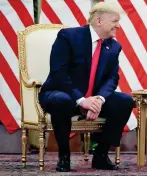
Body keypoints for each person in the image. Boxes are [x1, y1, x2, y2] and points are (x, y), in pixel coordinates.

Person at [38, 2, 134, 172]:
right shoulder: (69, 37)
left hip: (92, 97)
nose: (118, 26)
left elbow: (112, 77)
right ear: (99, 21)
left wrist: (99, 99)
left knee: (125, 101)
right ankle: (64, 157)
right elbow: (59, 73)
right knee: (62, 101)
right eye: (114, 21)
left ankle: (101, 155)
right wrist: (82, 100)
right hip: (61, 93)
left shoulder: (114, 46)